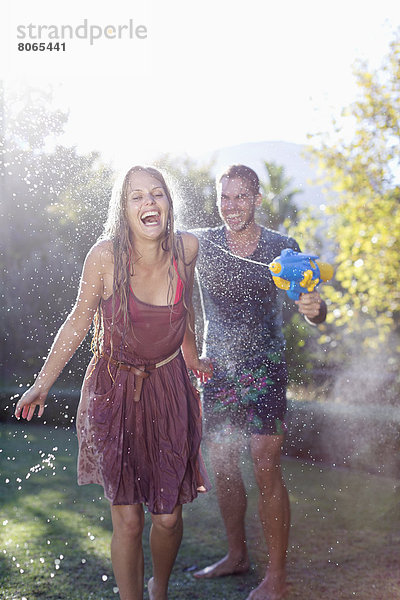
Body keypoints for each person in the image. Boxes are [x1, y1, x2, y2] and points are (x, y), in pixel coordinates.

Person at [14, 165, 213, 600]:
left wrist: (193, 356)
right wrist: (42, 383)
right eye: (137, 196)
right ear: (123, 210)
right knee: (128, 519)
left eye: (156, 194)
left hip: (168, 388)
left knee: (167, 519)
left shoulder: (187, 250)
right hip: (116, 389)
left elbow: (186, 312)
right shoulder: (104, 257)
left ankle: (158, 586)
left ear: (168, 203)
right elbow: (77, 321)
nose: (149, 203)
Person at [191, 164, 327, 600]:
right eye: (225, 198)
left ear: (257, 199)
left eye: (241, 197)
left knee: (265, 463)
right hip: (217, 370)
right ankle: (237, 555)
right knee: (224, 465)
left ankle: (277, 577)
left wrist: (312, 306)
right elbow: (150, 244)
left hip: (265, 368)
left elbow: (313, 305)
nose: (232, 206)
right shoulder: (202, 242)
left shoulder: (282, 247)